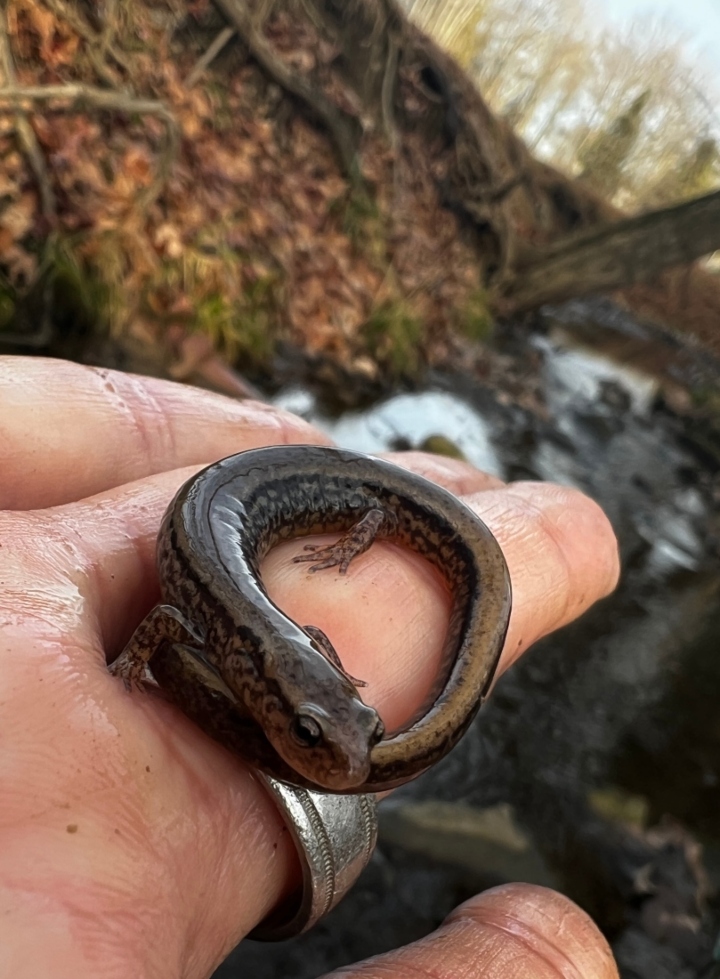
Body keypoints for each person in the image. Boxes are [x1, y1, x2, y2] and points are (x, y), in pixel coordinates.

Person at [0, 356, 620, 978]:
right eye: (307, 734)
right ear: (258, 687)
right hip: (262, 501)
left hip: (355, 497)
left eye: (365, 730)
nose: (349, 764)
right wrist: (134, 656)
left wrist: (352, 554)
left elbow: (308, 641)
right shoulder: (229, 635)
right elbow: (165, 622)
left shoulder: (273, 649)